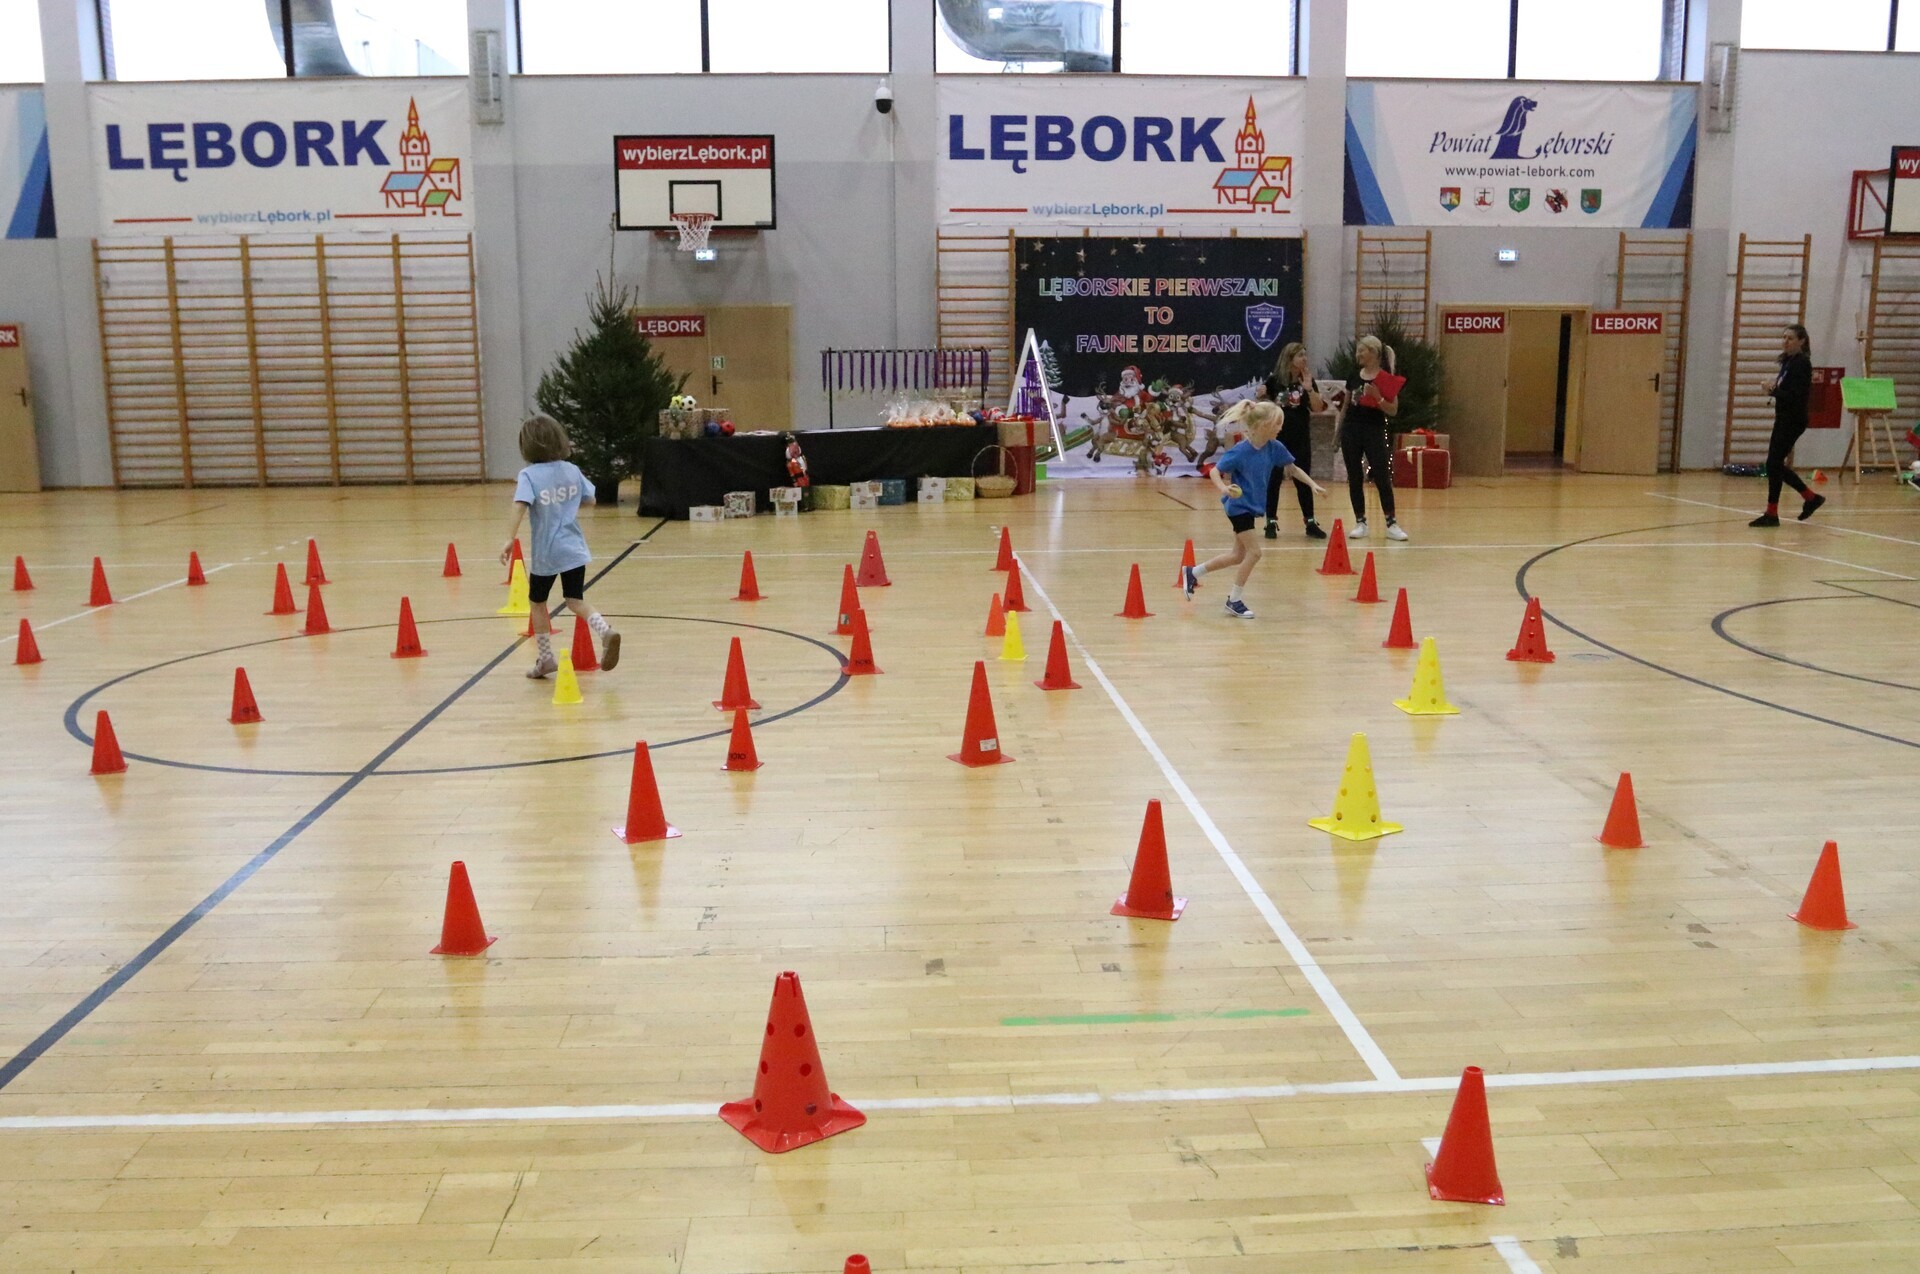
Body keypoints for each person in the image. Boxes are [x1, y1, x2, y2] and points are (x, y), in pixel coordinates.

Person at [499, 414, 621, 678]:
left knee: (537, 603)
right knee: (575, 600)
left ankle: (546, 659)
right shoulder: (571, 470)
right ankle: (605, 631)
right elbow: (591, 500)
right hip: (574, 548)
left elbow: (520, 505)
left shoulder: (528, 475)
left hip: (547, 552)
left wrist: (509, 538)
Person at [1183, 400, 1327, 619]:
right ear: (1263, 425)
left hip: (1251, 507)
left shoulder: (1275, 448)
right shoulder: (1241, 451)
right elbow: (1214, 471)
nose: (1280, 428)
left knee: (1237, 556)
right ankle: (1234, 600)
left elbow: (1293, 468)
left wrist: (1313, 484)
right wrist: (1223, 488)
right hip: (1238, 507)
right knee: (1255, 553)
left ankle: (1192, 572)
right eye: (1277, 423)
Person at [1750, 324, 1825, 527]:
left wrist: (1772, 391)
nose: (1785, 341)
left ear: (1802, 341)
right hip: (1784, 418)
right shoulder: (1788, 361)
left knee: (1773, 464)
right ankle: (1808, 499)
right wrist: (1775, 388)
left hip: (1793, 419)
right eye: (1783, 337)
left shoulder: (1802, 363)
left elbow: (1796, 396)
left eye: (1790, 338)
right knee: (1774, 464)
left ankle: (1776, 511)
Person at [1339, 334, 1409, 541]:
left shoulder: (1385, 378)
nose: (1358, 354)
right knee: (1354, 476)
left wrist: (1377, 396)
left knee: (1381, 475)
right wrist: (1338, 433)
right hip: (1351, 430)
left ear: (1373, 352)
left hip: (1374, 430)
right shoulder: (1353, 376)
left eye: (1362, 350)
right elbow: (1345, 406)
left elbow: (1393, 410)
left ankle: (1391, 523)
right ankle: (1360, 522)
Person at [1261, 342, 1329, 540]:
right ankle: (1270, 521)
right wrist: (1263, 397)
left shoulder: (1307, 380)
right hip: (1277, 437)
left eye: (1305, 355)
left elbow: (1318, 408)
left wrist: (1309, 389)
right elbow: (1263, 407)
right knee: (1274, 479)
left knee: (1303, 479)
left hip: (1300, 436)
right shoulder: (1274, 381)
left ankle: (1310, 521)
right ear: (1289, 358)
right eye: (1300, 355)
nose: (1305, 359)